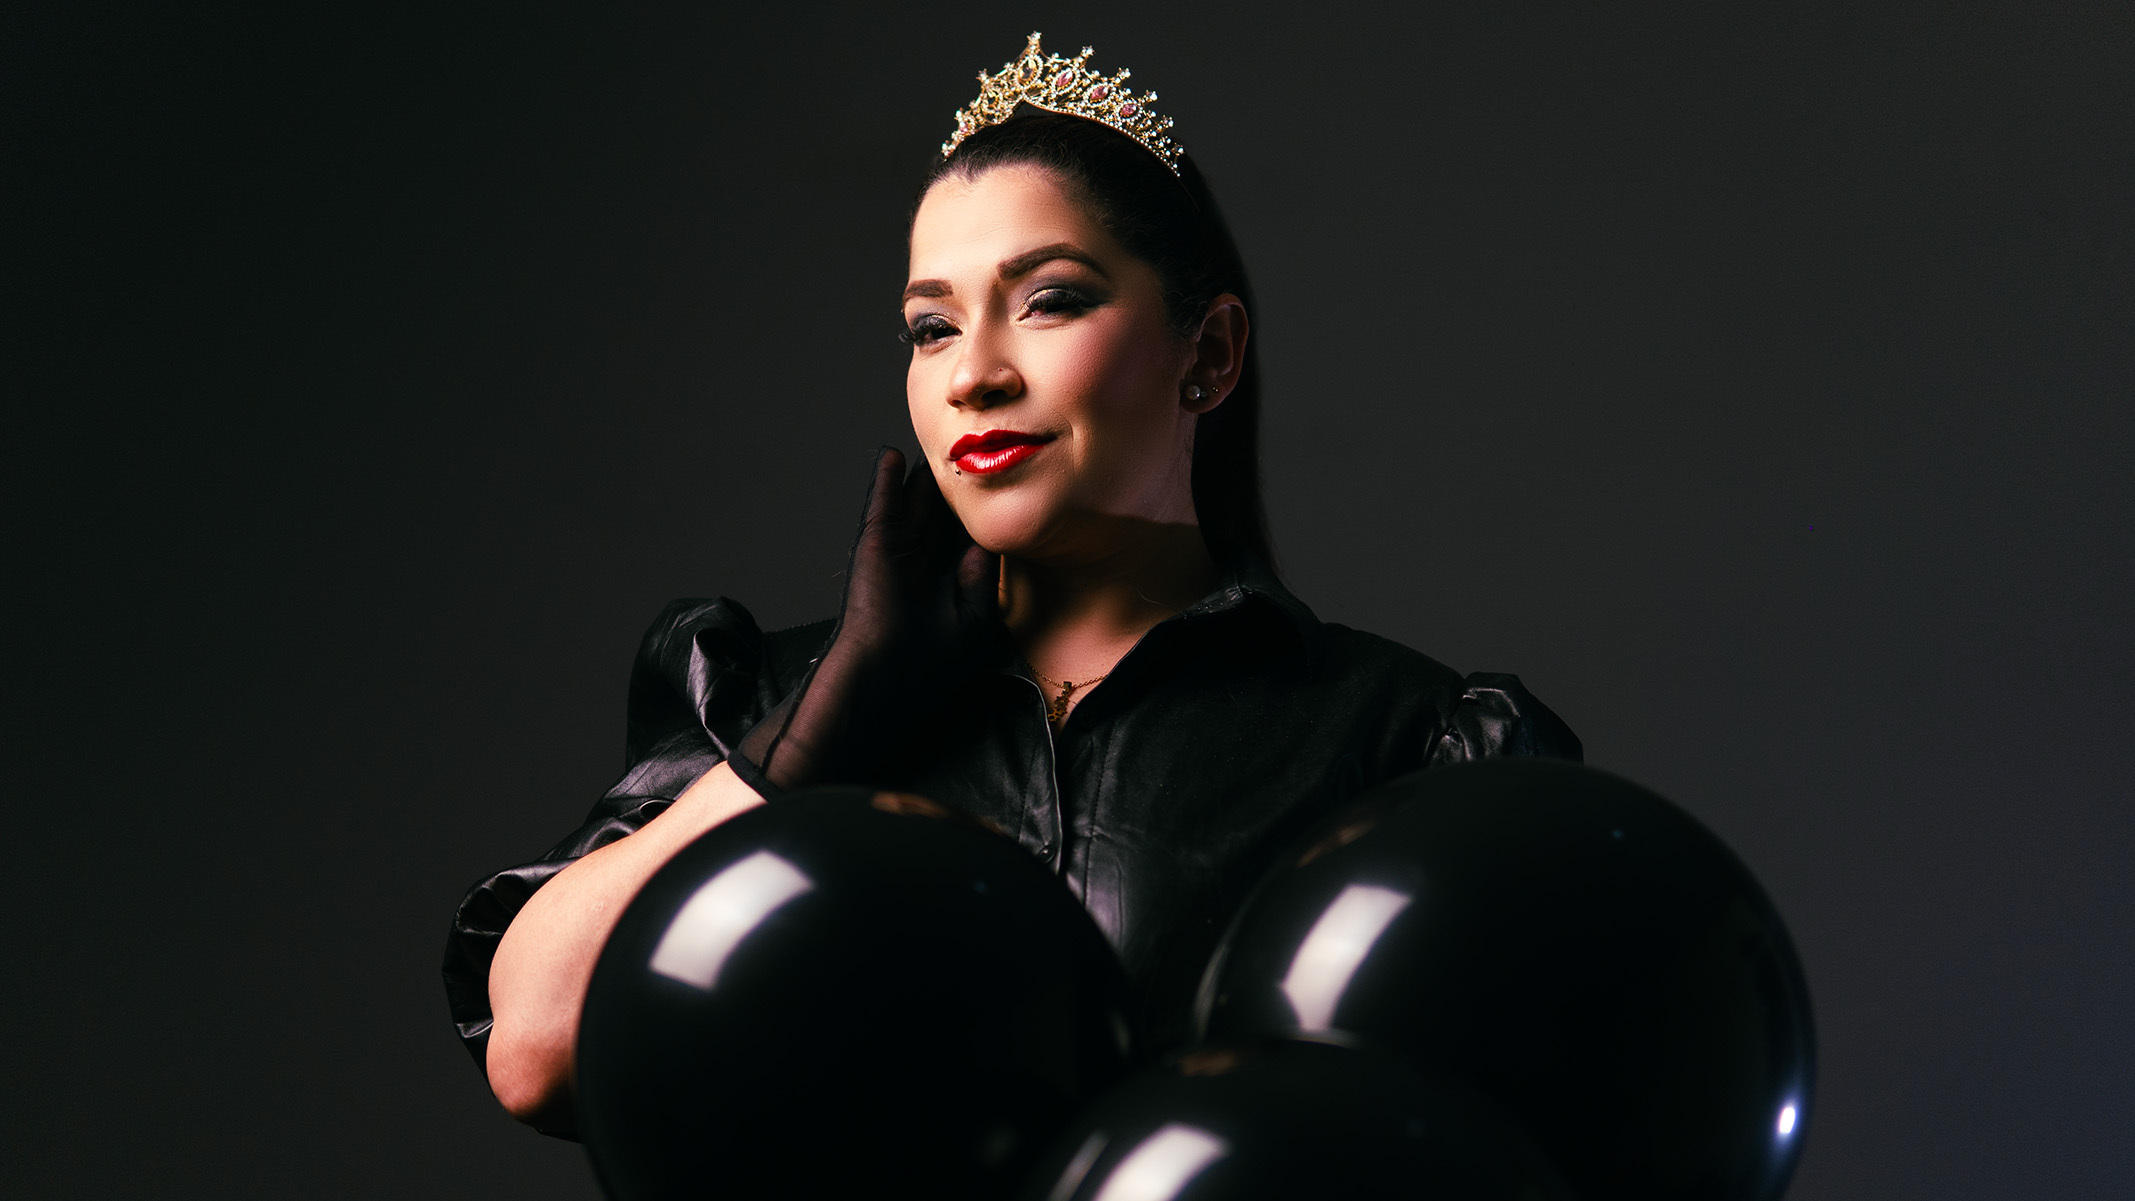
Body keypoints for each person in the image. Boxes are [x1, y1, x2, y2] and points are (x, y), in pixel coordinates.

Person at [443, 33, 1580, 1139]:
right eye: (931, 326)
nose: (974, 375)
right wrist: (814, 732)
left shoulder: (1407, 746)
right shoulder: (766, 699)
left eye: (1049, 300)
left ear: (1208, 353)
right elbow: (535, 1050)